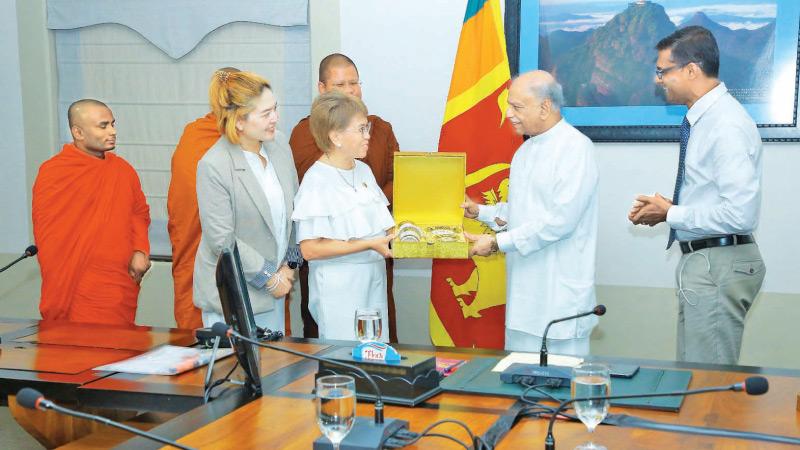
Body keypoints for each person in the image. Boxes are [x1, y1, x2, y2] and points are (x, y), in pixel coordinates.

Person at [628, 26, 765, 365]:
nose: (658, 79)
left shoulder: (725, 125)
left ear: (691, 69)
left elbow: (740, 214)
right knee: (693, 375)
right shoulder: (706, 120)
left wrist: (671, 214)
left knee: (708, 386)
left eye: (663, 71)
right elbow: (715, 201)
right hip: (706, 262)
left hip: (718, 263)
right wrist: (667, 210)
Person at [462, 71, 599, 355]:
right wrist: (481, 212)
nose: (508, 114)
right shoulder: (524, 151)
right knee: (519, 384)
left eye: (517, 107)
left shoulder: (575, 148)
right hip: (523, 298)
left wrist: (498, 242)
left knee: (561, 390)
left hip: (558, 298)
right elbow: (524, 210)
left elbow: (559, 222)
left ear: (545, 107)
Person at [289, 53, 399, 341]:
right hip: (340, 289)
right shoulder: (317, 180)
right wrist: (368, 243)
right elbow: (310, 249)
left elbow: (385, 227)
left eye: (368, 129)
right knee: (345, 364)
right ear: (336, 136)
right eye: (361, 130)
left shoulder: (362, 170)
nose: (368, 136)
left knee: (376, 364)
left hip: (373, 283)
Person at [194, 71, 302, 332]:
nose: (275, 118)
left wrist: (290, 265)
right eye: (266, 114)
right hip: (236, 295)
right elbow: (221, 239)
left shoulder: (279, 146)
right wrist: (269, 278)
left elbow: (297, 214)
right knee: (237, 369)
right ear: (239, 122)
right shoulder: (215, 165)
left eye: (275, 109)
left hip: (278, 285)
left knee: (274, 367)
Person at [32, 99, 151, 325]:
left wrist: (140, 250)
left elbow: (139, 214)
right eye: (103, 126)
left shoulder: (122, 170)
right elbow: (49, 237)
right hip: (75, 284)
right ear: (78, 132)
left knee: (118, 350)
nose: (113, 131)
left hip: (117, 282)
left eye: (113, 124)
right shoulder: (54, 172)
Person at [167, 67, 239, 330]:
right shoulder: (199, 137)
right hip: (205, 251)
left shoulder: (195, 135)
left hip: (236, 257)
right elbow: (186, 206)